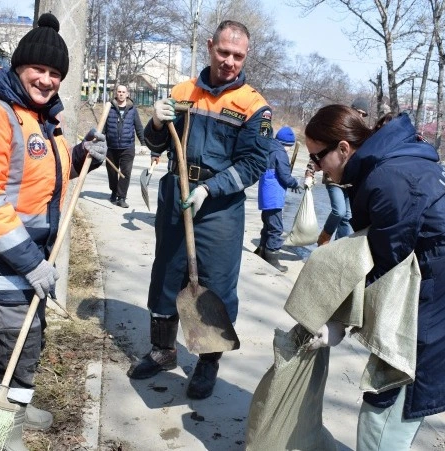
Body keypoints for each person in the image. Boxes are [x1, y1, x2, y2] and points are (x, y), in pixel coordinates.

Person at [304, 105, 445, 449]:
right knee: (396, 393)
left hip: (442, 299)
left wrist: (340, 321)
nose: (316, 167)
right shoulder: (395, 162)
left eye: (317, 157)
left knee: (388, 397)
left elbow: (386, 267)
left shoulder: (389, 179)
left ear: (342, 148)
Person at [0, 13, 107, 450]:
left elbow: (42, 177)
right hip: (2, 250)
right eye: (38, 69)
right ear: (18, 67)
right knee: (13, 334)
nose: (47, 79)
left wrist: (79, 155)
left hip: (33, 249)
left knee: (31, 330)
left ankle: (19, 405)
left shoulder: (40, 116)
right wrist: (30, 262)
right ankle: (3, 425)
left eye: (55, 73)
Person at [127, 20, 272, 400]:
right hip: (176, 191)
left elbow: (254, 164)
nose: (229, 61)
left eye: (238, 56)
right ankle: (162, 351)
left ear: (246, 56)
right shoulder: (182, 91)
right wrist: (156, 120)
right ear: (210, 46)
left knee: (216, 284)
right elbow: (157, 144)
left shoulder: (253, 107)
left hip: (219, 206)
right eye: (223, 52)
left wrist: (211, 188)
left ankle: (208, 364)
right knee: (167, 274)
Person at [316, 99, 367, 245]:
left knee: (347, 216)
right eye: (359, 112)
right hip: (333, 177)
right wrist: (309, 172)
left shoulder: (361, 133)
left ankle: (339, 248)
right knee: (339, 211)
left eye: (364, 114)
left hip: (350, 181)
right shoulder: (339, 127)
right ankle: (324, 238)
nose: (361, 116)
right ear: (352, 110)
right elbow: (319, 149)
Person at [255, 126, 301, 272]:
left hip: (265, 195)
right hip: (273, 196)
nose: (289, 149)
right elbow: (285, 176)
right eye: (289, 146)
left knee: (267, 225)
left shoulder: (269, 148)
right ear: (285, 144)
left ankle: (261, 250)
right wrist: (295, 183)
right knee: (276, 228)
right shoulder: (280, 153)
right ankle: (272, 259)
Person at [103, 84, 146, 208]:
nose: (121, 94)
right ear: (116, 93)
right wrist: (98, 140)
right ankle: (114, 191)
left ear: (127, 94)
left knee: (125, 172)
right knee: (111, 171)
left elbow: (138, 127)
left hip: (127, 147)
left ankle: (121, 197)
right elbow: (103, 127)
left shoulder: (132, 109)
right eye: (119, 91)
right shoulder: (109, 108)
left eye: (123, 92)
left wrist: (143, 144)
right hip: (112, 147)